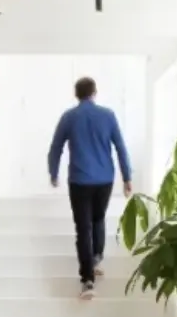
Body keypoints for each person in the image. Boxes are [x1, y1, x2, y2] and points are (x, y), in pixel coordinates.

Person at [48, 76, 133, 300]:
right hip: (104, 179)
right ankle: (96, 258)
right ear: (94, 93)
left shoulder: (69, 117)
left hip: (79, 180)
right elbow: (121, 147)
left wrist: (53, 172)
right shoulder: (108, 115)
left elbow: (56, 147)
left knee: (83, 228)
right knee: (98, 219)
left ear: (76, 95)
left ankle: (87, 280)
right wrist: (127, 177)